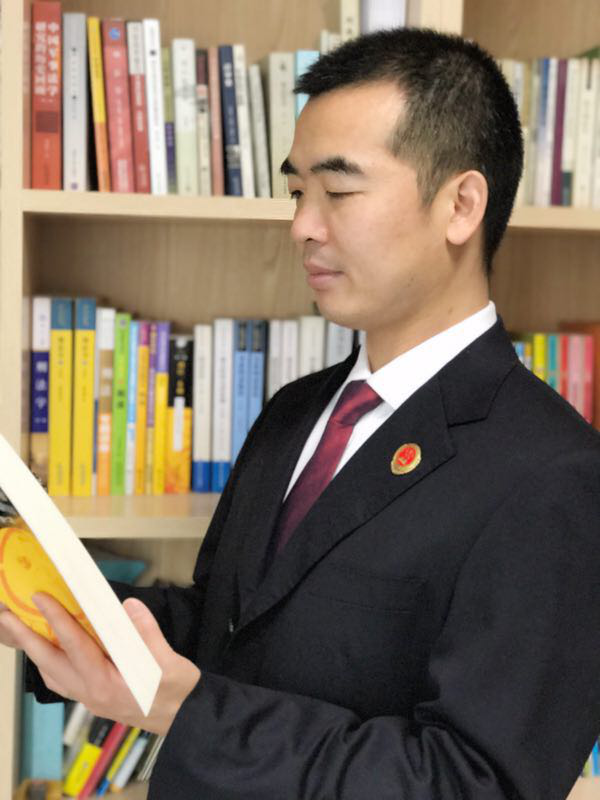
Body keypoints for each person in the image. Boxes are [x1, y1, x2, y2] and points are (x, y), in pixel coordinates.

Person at [2, 26, 600, 800]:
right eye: (297, 193)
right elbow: (227, 627)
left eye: (338, 192)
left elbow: (474, 784)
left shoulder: (554, 475)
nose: (302, 227)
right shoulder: (298, 410)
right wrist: (50, 603)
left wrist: (188, 710)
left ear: (461, 205)